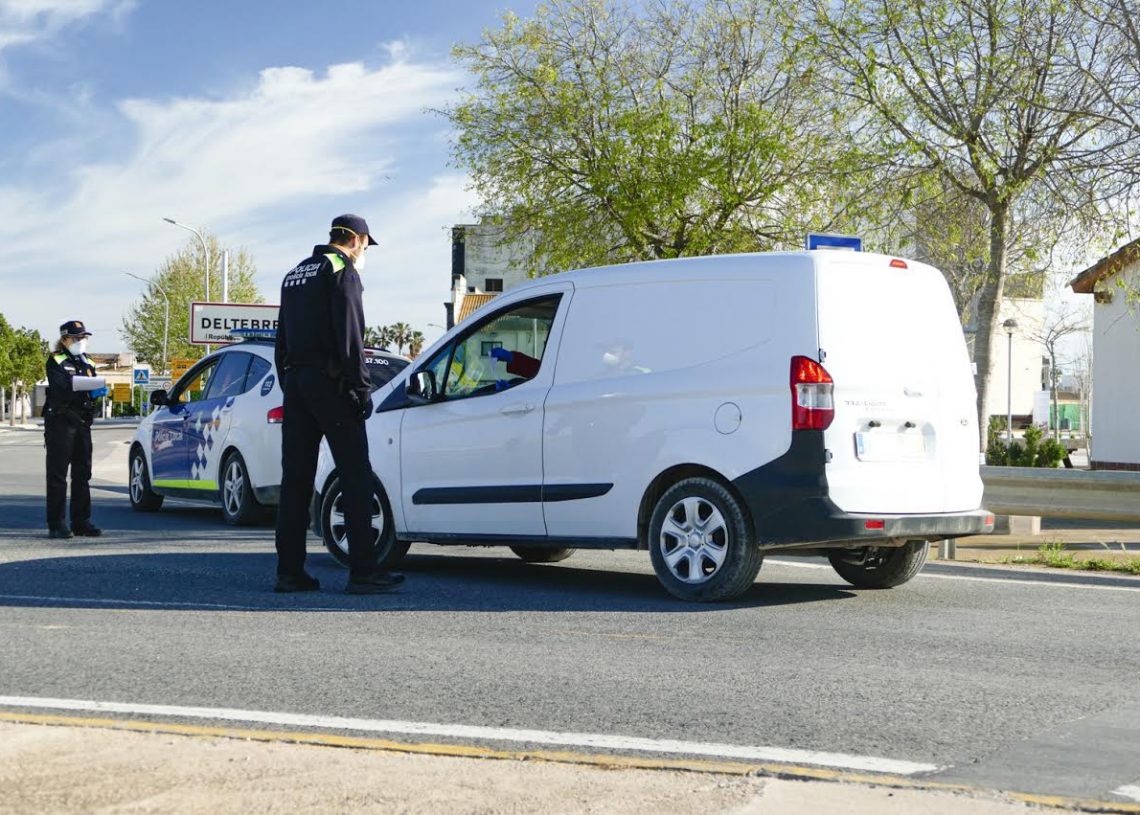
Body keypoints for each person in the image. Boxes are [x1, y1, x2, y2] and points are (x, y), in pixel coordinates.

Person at [273, 214, 405, 595]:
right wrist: (361, 389)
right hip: (331, 385)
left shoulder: (296, 272)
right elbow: (351, 335)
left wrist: (289, 383)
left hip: (297, 382)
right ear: (359, 239)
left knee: (295, 481)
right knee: (355, 474)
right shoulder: (341, 270)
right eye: (366, 245)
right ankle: (364, 570)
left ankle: (289, 572)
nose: (365, 251)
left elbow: (282, 336)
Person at [43, 320, 108, 539]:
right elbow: (61, 389)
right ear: (65, 339)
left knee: (83, 474)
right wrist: (85, 390)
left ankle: (81, 522)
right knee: (58, 475)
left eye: (84, 337)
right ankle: (57, 523)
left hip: (82, 422)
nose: (82, 341)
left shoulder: (87, 361)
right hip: (61, 421)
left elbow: (91, 384)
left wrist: (97, 392)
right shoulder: (56, 360)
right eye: (77, 338)